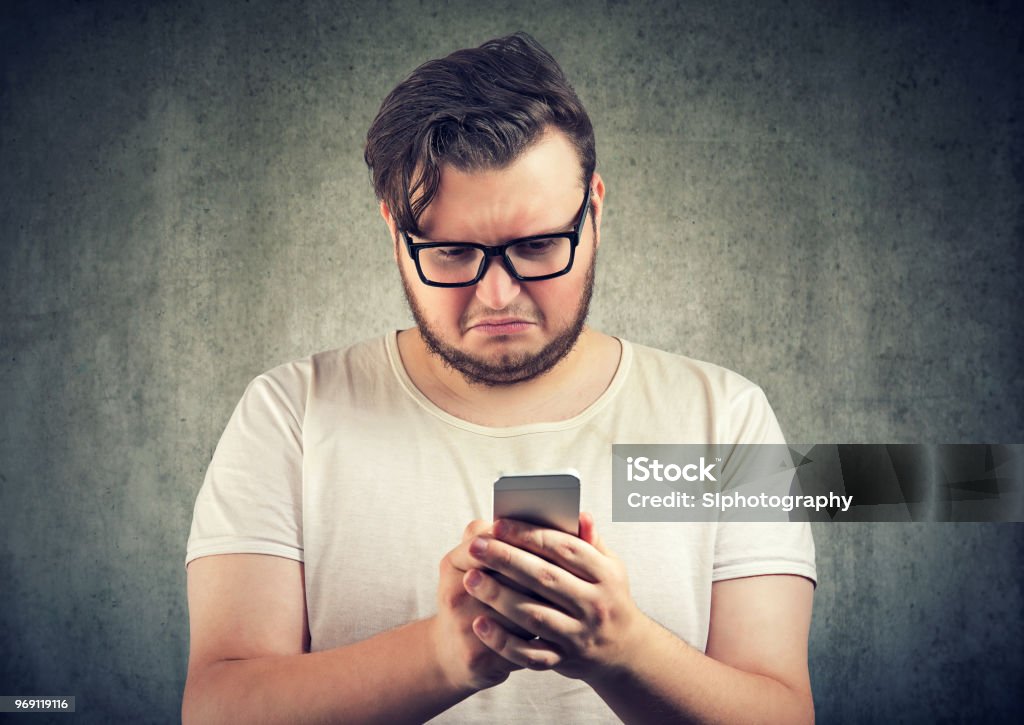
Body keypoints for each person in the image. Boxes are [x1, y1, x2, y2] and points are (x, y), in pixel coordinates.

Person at [183, 32, 816, 723]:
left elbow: (783, 711)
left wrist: (624, 649)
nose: (498, 296)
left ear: (595, 211)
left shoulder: (726, 420)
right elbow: (218, 707)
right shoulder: (292, 415)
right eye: (453, 253)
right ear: (395, 231)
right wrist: (442, 657)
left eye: (539, 245)